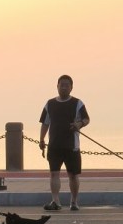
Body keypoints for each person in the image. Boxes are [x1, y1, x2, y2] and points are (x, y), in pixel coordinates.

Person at [38, 74, 90, 211]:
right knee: (54, 173)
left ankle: (74, 202)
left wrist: (79, 124)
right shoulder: (49, 104)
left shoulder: (78, 103)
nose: (64, 87)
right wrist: (42, 139)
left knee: (73, 175)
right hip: (54, 145)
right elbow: (45, 123)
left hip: (72, 146)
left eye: (67, 85)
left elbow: (86, 119)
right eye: (62, 85)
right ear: (57, 86)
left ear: (71, 87)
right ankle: (56, 201)